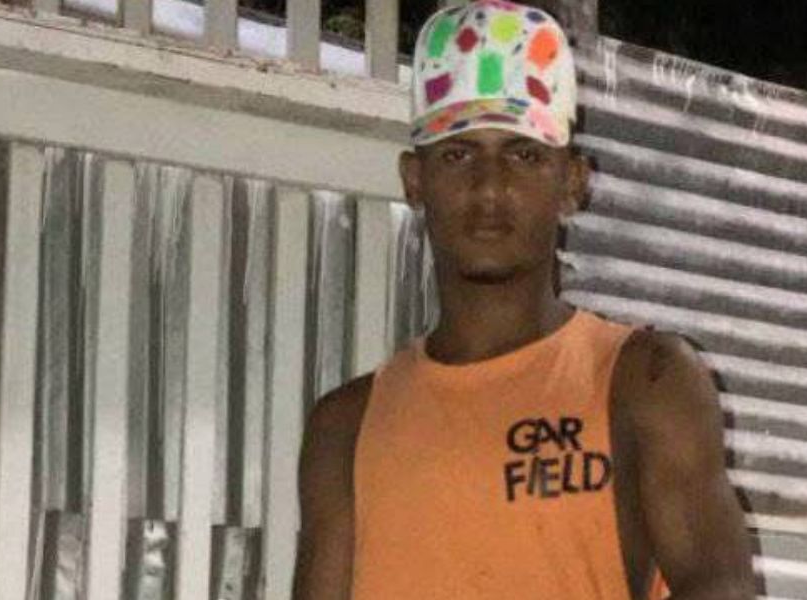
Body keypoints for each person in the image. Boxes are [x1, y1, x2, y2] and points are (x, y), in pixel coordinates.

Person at [292, 1, 756, 598]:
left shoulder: (647, 381)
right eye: (458, 154)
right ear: (414, 180)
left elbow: (721, 588)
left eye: (524, 154)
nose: (490, 187)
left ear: (572, 182)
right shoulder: (345, 428)